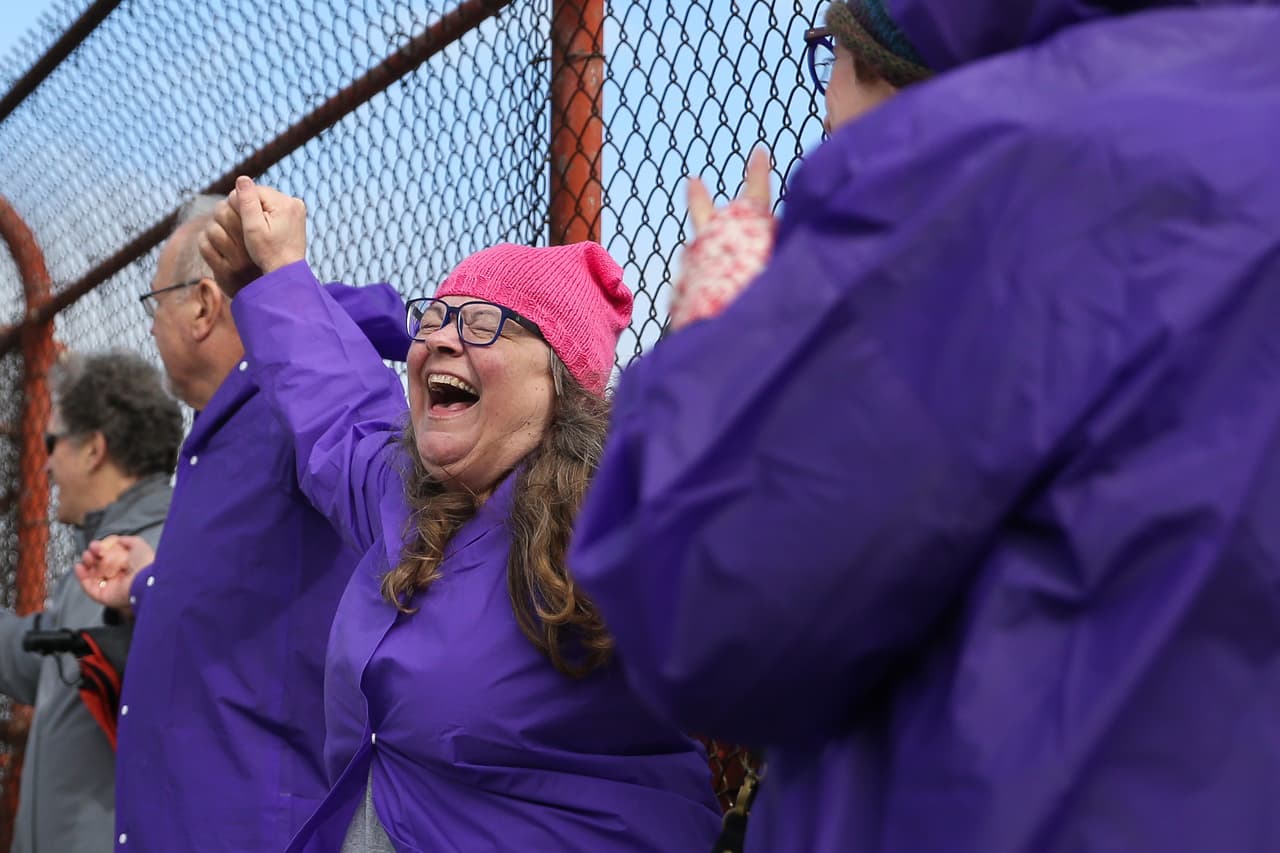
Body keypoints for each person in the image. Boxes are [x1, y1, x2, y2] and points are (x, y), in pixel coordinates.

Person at [567, 1, 1280, 851]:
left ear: (877, 61)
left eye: (827, 51)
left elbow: (703, 603)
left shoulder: (970, 168)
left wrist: (726, 332)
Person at [162, 177, 725, 851]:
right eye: (436, 318)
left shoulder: (610, 516)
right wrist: (271, 279)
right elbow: (338, 407)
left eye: (485, 323)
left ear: (559, 382)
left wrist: (734, 349)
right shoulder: (402, 496)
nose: (444, 340)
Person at [75, 195, 410, 852]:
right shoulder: (219, 432)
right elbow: (248, 597)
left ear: (203, 304)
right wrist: (147, 581)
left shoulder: (294, 410)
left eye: (156, 305)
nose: (149, 329)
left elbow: (391, 497)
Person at [0, 351, 181, 853]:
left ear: (92, 450)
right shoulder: (102, 557)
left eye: (51, 442)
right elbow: (36, 658)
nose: (46, 461)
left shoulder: (158, 556)